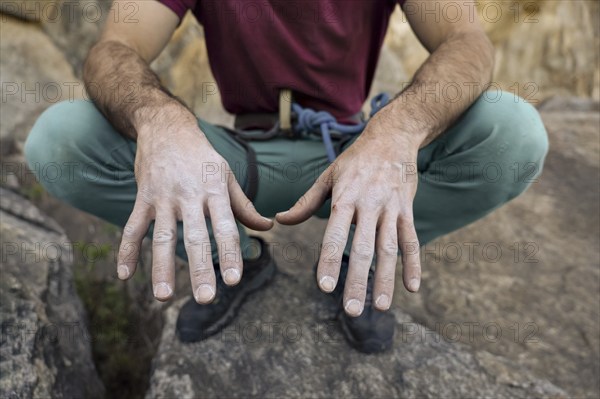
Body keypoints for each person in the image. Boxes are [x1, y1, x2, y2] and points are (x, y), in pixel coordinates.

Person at [25, 0, 548, 354]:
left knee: (514, 132)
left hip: (352, 151)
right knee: (60, 141)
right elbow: (115, 48)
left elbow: (466, 41)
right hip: (238, 158)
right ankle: (240, 262)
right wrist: (159, 121)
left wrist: (398, 132)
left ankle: (356, 256)